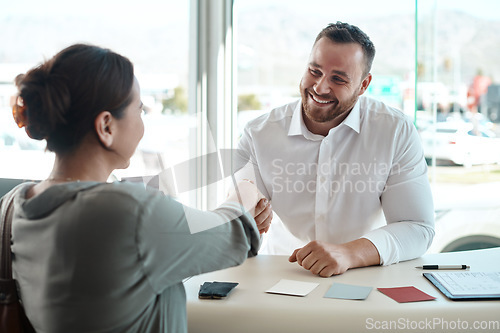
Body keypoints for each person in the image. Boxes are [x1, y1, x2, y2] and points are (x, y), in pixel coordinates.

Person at [3, 44, 269, 333]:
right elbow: (232, 233)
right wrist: (242, 195)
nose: (142, 125)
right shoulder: (130, 212)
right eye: (139, 109)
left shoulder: (11, 206)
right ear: (106, 126)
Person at [235, 22, 435, 277]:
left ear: (363, 85)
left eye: (338, 78)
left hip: (363, 279)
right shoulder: (258, 133)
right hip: (280, 281)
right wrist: (246, 221)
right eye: (314, 71)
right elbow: (240, 213)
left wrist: (350, 253)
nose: (320, 87)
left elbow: (417, 228)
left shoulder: (395, 131)